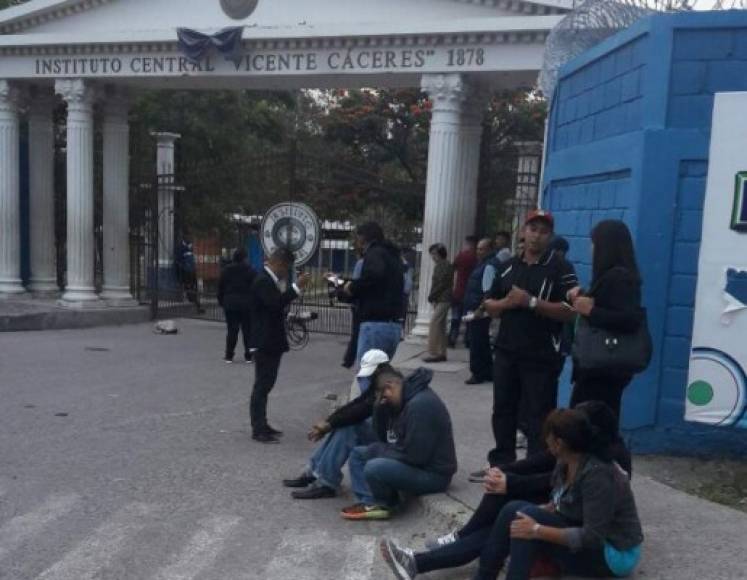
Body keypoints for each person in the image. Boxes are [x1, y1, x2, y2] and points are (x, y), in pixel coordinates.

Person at [380, 407, 644, 580]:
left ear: (560, 442)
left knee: (524, 523)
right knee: (514, 513)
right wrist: (536, 518)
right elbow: (559, 503)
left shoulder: (598, 474)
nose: (545, 444)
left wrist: (537, 529)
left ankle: (420, 563)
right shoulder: (566, 462)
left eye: (548, 439)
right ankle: (419, 564)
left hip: (613, 556)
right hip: (580, 532)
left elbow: (593, 537)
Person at [481, 210, 578, 467]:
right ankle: (502, 463)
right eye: (532, 229)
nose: (536, 236)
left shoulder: (561, 268)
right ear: (523, 232)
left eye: (543, 232)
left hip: (541, 354)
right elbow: (489, 305)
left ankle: (535, 467)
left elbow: (570, 312)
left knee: (538, 415)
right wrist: (507, 302)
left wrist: (532, 302)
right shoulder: (507, 267)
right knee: (503, 409)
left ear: (550, 236)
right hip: (506, 351)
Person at [341, 366, 457, 521]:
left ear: (389, 387)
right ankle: (369, 501)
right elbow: (384, 438)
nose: (383, 400)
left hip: (433, 474)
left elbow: (416, 457)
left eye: (383, 396)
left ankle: (384, 504)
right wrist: (379, 410)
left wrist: (380, 451)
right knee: (357, 454)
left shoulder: (420, 405)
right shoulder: (400, 402)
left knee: (374, 467)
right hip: (412, 461)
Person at [282, 349, 390, 499]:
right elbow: (357, 403)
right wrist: (329, 422)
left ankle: (326, 481)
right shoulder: (381, 380)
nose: (368, 377)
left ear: (379, 368)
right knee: (344, 424)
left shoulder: (388, 386)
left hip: (389, 442)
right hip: (383, 434)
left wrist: (329, 424)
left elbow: (362, 410)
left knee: (350, 427)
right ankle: (314, 472)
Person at [569, 220, 644, 425]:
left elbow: (629, 319)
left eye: (594, 243)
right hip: (599, 368)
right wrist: (584, 297)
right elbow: (610, 305)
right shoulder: (611, 277)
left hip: (603, 369)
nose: (590, 249)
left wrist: (590, 310)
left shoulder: (619, 277)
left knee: (588, 427)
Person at [248, 247, 311, 443]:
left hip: (271, 341)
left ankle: (262, 423)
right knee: (262, 385)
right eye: (286, 267)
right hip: (265, 342)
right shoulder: (263, 281)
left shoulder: (268, 281)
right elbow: (276, 303)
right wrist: (296, 288)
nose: (286, 272)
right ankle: (258, 428)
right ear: (279, 263)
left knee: (266, 385)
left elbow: (274, 308)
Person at [341, 222, 404, 389]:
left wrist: (352, 287)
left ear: (363, 238)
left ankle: (371, 414)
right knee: (381, 378)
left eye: (357, 238)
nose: (357, 243)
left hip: (375, 324)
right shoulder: (394, 256)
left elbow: (374, 276)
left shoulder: (374, 254)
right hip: (393, 324)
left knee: (368, 379)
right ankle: (382, 413)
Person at [463, 237, 495, 385]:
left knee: (476, 342)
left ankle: (477, 373)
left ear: (489, 250)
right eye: (477, 248)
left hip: (479, 309)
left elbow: (488, 291)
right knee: (482, 342)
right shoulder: (482, 264)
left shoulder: (488, 266)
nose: (478, 252)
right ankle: (488, 371)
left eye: (481, 249)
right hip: (477, 307)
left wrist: (480, 309)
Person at [217, 248, 256, 364]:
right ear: (244, 258)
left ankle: (229, 356)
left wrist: (222, 302)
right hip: (246, 305)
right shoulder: (250, 271)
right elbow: (256, 288)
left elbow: (220, 288)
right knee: (247, 331)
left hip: (230, 304)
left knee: (232, 331)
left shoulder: (226, 271)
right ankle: (249, 356)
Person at [424, 243, 453, 363]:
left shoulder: (444, 265)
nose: (433, 257)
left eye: (434, 254)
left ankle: (434, 352)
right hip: (440, 298)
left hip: (443, 298)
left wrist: (432, 295)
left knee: (434, 324)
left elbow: (441, 283)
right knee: (440, 326)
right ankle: (442, 352)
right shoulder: (441, 265)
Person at [449, 236, 478, 348]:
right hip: (470, 294)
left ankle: (452, 339)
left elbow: (453, 268)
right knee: (469, 319)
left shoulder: (461, 256)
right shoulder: (475, 258)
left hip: (458, 292)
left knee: (455, 318)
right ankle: (468, 340)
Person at [341, 251, 365, 369]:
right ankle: (350, 359)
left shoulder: (361, 263)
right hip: (366, 304)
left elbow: (354, 283)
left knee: (356, 332)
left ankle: (349, 359)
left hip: (358, 303)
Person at [175, 235, 205, 314]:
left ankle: (197, 305)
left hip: (191, 271)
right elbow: (178, 260)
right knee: (189, 287)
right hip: (186, 272)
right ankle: (197, 305)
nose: (190, 239)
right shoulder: (182, 248)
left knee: (193, 288)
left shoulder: (190, 248)